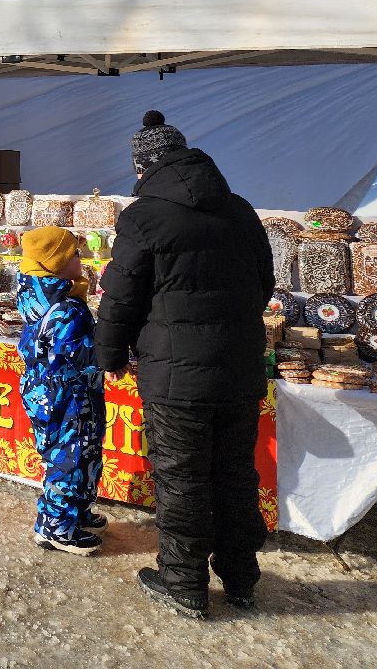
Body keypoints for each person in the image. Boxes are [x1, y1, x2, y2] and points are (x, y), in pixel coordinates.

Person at [95, 110, 272, 620]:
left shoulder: (144, 216)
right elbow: (264, 283)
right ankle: (240, 579)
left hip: (176, 377)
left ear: (143, 166)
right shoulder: (240, 210)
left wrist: (110, 354)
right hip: (238, 369)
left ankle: (184, 583)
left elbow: (121, 296)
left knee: (182, 480)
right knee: (235, 474)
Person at [16, 226, 106, 556]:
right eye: (75, 255)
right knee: (69, 458)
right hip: (67, 396)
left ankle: (75, 511)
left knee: (79, 454)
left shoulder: (41, 295)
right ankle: (55, 526)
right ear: (56, 263)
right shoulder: (66, 308)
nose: (81, 260)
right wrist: (112, 355)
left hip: (51, 391)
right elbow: (82, 355)